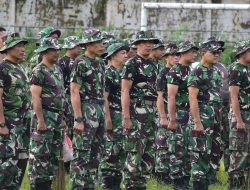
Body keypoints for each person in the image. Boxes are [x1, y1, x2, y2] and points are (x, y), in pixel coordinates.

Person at [121, 30, 160, 190]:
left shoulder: (155, 64)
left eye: (151, 42)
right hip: (136, 112)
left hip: (152, 113)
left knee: (149, 153)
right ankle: (129, 185)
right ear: (136, 45)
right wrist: (126, 117)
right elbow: (124, 91)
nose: (148, 45)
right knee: (135, 152)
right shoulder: (131, 64)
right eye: (145, 42)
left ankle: (141, 185)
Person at [70, 28, 106, 190]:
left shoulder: (100, 63)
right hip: (85, 109)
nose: (101, 45)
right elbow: (74, 90)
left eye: (101, 42)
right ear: (89, 44)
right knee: (81, 154)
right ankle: (78, 186)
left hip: (99, 109)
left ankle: (89, 186)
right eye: (98, 42)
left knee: (96, 153)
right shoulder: (80, 62)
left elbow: (102, 91)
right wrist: (78, 118)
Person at [28, 38, 66, 190]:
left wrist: (62, 118)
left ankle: (47, 184)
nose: (57, 53)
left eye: (57, 50)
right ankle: (38, 185)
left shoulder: (57, 69)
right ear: (44, 52)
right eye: (53, 50)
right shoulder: (39, 70)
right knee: (40, 154)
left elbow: (61, 95)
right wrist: (40, 120)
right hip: (45, 116)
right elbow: (35, 97)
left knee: (53, 155)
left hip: (57, 118)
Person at [188, 40, 224, 190]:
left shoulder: (216, 72)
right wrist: (197, 122)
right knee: (200, 153)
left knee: (215, 152)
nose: (217, 55)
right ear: (204, 53)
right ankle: (197, 185)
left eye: (218, 52)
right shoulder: (197, 71)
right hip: (202, 119)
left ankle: (206, 183)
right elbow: (192, 97)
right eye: (213, 52)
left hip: (215, 119)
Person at [0, 32, 30, 189]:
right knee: (8, 163)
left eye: (23, 46)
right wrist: (1, 124)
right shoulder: (3, 68)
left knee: (21, 162)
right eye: (19, 46)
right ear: (9, 48)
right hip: (9, 123)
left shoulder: (21, 68)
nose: (23, 49)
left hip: (24, 123)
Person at [167, 40, 198, 189]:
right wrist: (172, 119)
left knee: (188, 148)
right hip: (179, 112)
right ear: (183, 53)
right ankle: (177, 182)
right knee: (178, 148)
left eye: (195, 51)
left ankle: (185, 179)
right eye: (192, 51)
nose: (195, 54)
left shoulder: (191, 70)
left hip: (190, 113)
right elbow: (171, 96)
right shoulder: (176, 70)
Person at [99, 42, 129, 190]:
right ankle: (107, 184)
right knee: (111, 150)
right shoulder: (108, 73)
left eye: (126, 53)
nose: (126, 55)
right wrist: (108, 119)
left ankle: (116, 183)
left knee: (122, 150)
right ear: (111, 56)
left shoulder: (125, 72)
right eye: (122, 53)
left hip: (124, 116)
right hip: (113, 114)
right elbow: (104, 98)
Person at [155, 42, 179, 184]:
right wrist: (163, 116)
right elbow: (159, 96)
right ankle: (161, 174)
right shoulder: (163, 73)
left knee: (175, 143)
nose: (176, 58)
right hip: (164, 109)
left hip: (178, 112)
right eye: (173, 55)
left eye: (178, 55)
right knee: (163, 143)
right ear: (166, 57)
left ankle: (173, 172)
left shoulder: (182, 71)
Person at [228, 40, 250, 189]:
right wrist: (239, 119)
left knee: (246, 155)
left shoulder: (246, 69)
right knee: (238, 154)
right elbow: (233, 96)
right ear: (242, 53)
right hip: (240, 115)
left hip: (247, 115)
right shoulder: (236, 69)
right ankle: (235, 187)